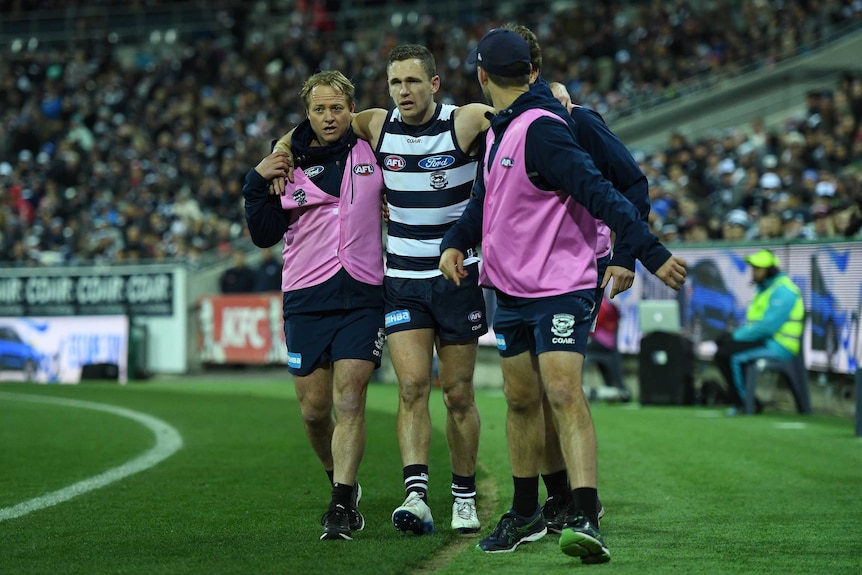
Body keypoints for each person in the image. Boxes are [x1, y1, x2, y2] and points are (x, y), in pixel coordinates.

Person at [439, 28, 687, 562]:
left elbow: (604, 192)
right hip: (508, 288)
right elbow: (483, 201)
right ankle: (527, 510)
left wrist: (646, 252)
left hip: (560, 286)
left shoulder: (546, 127)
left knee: (562, 394)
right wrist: (456, 241)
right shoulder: (502, 129)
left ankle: (587, 515)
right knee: (522, 399)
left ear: (481, 75)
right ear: (530, 70)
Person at [273, 44, 493, 535]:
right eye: (396, 83)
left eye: (413, 82)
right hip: (402, 282)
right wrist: (279, 151)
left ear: (433, 84)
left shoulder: (465, 121)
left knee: (457, 393)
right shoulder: (377, 125)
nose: (403, 91)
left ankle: (463, 495)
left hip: (458, 278)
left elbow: (508, 117)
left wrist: (558, 104)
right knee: (412, 388)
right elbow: (306, 128)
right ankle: (416, 496)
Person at [504, 23, 651, 534]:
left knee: (559, 389)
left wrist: (626, 256)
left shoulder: (575, 121)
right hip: (524, 278)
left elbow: (630, 182)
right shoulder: (510, 123)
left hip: (574, 272)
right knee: (534, 395)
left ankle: (578, 503)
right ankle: (561, 497)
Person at [243, 70, 386, 541]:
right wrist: (253, 183)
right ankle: (338, 481)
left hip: (363, 292)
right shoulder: (286, 164)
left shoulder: (372, 146)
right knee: (313, 411)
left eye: (338, 108)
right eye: (320, 109)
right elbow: (264, 234)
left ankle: (342, 504)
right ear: (307, 114)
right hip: (305, 297)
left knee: (350, 399)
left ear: (351, 109)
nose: (330, 117)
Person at [712, 249, 803, 414]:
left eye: (758, 268)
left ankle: (744, 403)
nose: (753, 272)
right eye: (753, 268)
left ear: (770, 270)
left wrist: (736, 336)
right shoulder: (765, 289)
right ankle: (747, 400)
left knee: (731, 354)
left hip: (780, 345)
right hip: (767, 341)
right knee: (722, 346)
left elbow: (768, 327)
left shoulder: (783, 291)